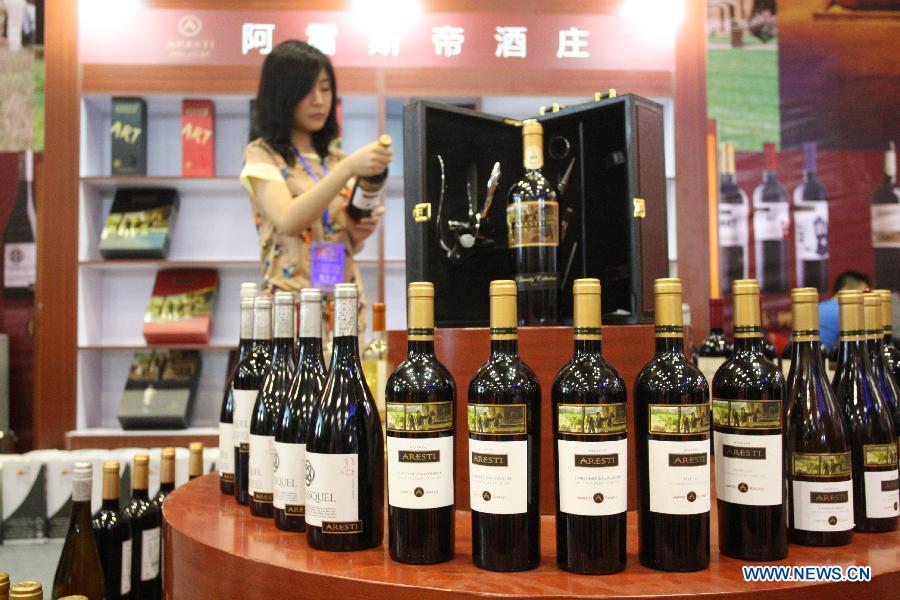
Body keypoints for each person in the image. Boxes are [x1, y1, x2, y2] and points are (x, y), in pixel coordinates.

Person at [239, 40, 391, 316]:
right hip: (290, 308)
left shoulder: (333, 157)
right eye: (306, 91)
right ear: (281, 96)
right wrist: (346, 170)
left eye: (325, 88)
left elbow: (340, 237)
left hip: (342, 304)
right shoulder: (262, 155)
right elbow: (288, 220)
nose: (319, 101)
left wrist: (356, 234)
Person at [818, 270, 871, 353]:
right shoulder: (844, 313)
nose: (865, 298)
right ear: (846, 290)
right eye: (863, 293)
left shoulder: (820, 307)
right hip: (823, 362)